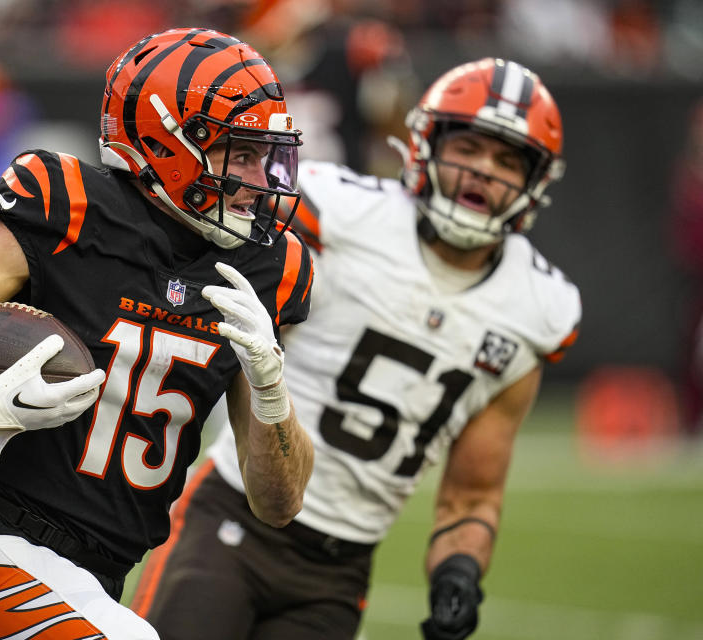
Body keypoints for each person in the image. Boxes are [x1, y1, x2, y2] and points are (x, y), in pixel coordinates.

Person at [0, 27, 315, 640]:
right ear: (168, 142)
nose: (261, 180)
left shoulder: (269, 269)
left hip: (90, 579)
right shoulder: (71, 208)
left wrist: (271, 385)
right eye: (241, 154)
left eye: (267, 155)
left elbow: (278, 504)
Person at [131, 58, 582, 640]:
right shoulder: (339, 212)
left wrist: (459, 574)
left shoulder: (537, 309)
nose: (482, 172)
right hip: (234, 517)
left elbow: (472, 494)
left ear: (535, 181)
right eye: (469, 147)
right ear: (427, 143)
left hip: (341, 570)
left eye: (507, 160)